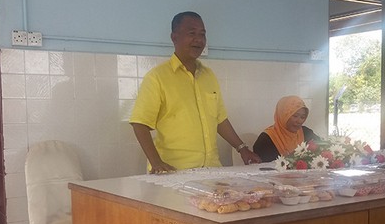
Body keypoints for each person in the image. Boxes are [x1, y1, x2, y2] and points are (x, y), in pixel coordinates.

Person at [129, 11, 261, 173]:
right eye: (192, 33)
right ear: (174, 37)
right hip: (174, 172)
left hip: (211, 171)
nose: (198, 40)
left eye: (202, 34)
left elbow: (220, 119)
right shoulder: (157, 77)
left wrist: (242, 149)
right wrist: (156, 162)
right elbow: (140, 124)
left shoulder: (209, 76)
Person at [253, 95, 321, 162]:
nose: (299, 121)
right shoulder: (266, 139)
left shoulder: (306, 132)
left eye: (302, 117)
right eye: (295, 116)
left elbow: (322, 147)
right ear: (283, 115)